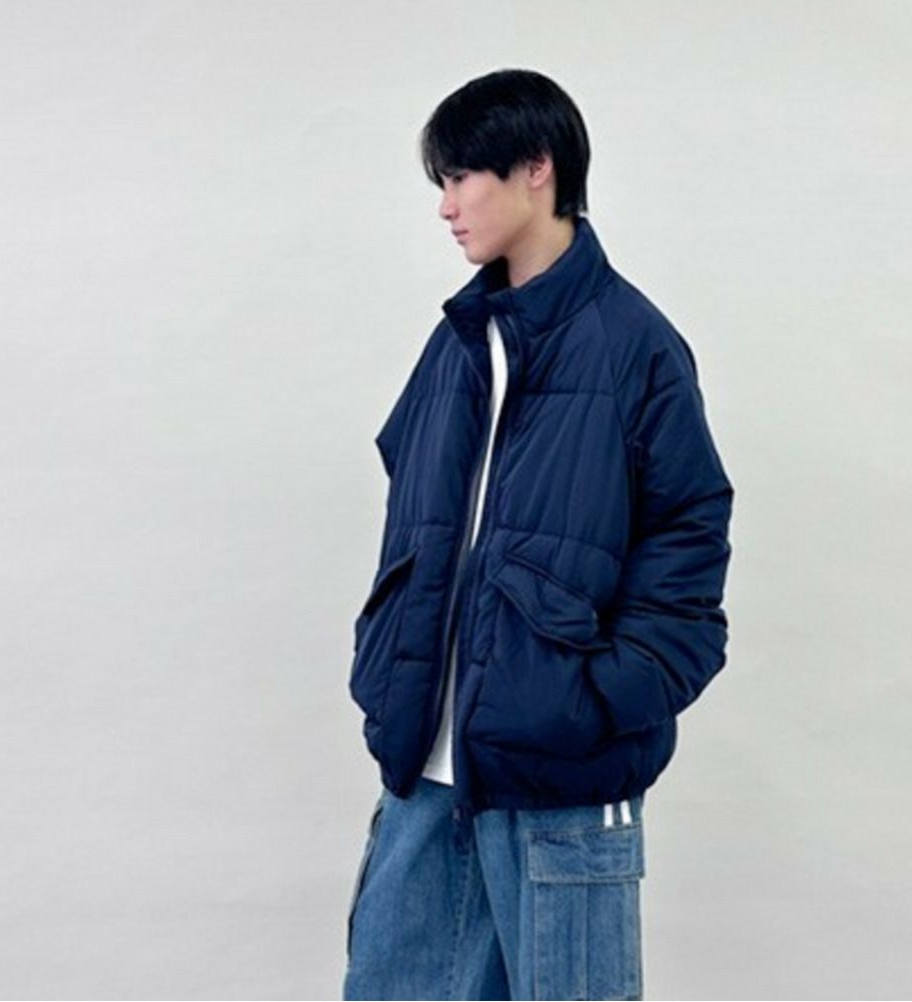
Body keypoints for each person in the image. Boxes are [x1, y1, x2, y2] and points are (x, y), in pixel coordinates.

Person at [341, 67, 734, 1001]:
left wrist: (593, 700)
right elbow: (412, 518)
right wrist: (384, 670)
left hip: (562, 786)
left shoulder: (637, 346)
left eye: (460, 178)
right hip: (425, 774)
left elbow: (690, 541)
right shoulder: (456, 344)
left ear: (536, 168)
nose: (445, 207)